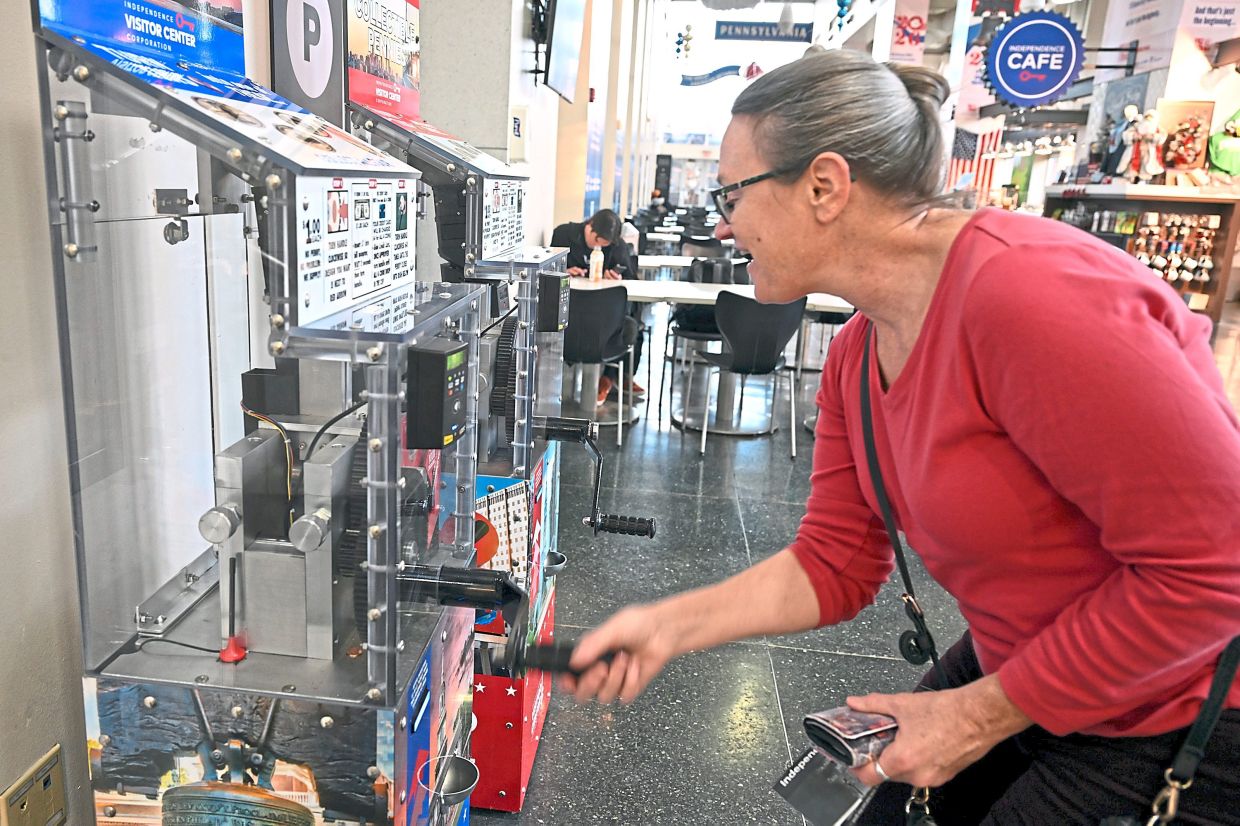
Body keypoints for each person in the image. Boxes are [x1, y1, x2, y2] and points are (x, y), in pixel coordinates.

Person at [562, 49, 1240, 823]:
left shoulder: (1032, 299)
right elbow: (838, 561)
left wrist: (976, 716)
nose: (724, 222)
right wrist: (666, 627)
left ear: (824, 186)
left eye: (732, 193)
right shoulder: (858, 352)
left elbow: (1216, 565)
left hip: (1180, 710)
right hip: (1026, 666)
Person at [550, 209, 645, 404]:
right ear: (590, 225)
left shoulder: (617, 248)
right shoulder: (563, 235)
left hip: (605, 318)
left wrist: (618, 277)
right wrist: (564, 270)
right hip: (570, 318)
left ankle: (610, 378)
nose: (600, 246)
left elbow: (631, 278)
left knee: (632, 326)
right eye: (597, 240)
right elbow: (548, 269)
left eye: (606, 244)